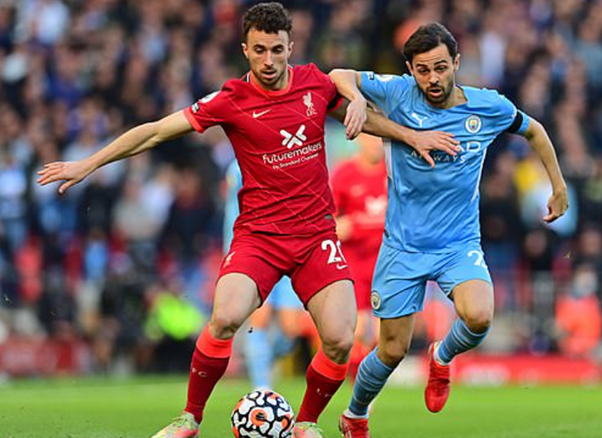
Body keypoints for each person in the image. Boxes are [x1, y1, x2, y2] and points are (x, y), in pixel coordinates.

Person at [36, 5, 460, 438]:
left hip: (315, 236)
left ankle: (306, 423)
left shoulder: (315, 84)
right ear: (245, 50)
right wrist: (89, 163)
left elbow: (367, 118)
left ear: (290, 47)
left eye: (277, 50)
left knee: (339, 337)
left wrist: (412, 136)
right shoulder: (231, 99)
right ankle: (189, 418)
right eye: (260, 50)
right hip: (259, 237)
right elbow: (157, 130)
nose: (269, 60)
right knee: (224, 317)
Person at [330, 22, 569, 437]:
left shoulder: (486, 106)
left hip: (458, 243)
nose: (433, 79)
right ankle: (356, 414)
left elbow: (535, 130)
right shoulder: (398, 93)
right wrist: (355, 101)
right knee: (392, 350)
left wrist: (559, 186)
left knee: (479, 316)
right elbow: (338, 75)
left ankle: (441, 356)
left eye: (441, 67)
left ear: (456, 63)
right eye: (423, 70)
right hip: (403, 246)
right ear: (410, 70)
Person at [223, 159, 306, 390]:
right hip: (257, 250)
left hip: (290, 248)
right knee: (260, 318)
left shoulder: (291, 158)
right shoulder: (239, 166)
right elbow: (232, 212)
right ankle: (261, 388)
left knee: (292, 329)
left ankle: (262, 360)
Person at [330, 134, 387, 379]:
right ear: (359, 139)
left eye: (380, 139)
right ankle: (358, 384)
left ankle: (370, 382)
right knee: (358, 329)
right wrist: (337, 226)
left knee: (384, 333)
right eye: (371, 138)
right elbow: (328, 216)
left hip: (387, 261)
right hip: (355, 260)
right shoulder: (344, 173)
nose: (375, 144)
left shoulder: (394, 171)